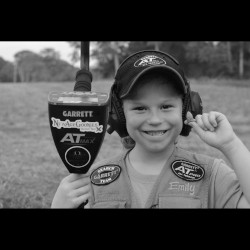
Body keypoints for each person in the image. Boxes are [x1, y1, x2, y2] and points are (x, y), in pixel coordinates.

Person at [51, 50, 250, 208]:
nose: (155, 119)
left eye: (166, 106)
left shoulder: (211, 175)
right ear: (118, 114)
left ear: (187, 108)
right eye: (140, 108)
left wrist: (231, 145)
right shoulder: (93, 180)